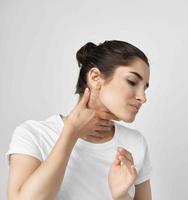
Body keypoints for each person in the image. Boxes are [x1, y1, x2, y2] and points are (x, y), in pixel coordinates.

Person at [5, 40, 152, 200]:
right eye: (132, 82)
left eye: (145, 87)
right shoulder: (34, 134)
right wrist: (70, 134)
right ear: (95, 77)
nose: (142, 98)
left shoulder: (135, 143)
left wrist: (122, 197)